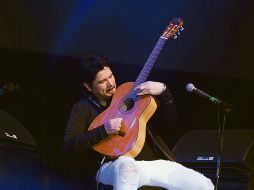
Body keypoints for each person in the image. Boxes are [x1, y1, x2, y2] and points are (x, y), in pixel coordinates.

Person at [63, 54, 214, 190]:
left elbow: (170, 121)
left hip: (150, 163)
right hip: (112, 165)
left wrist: (164, 91)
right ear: (88, 86)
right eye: (102, 81)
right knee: (126, 167)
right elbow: (69, 146)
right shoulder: (82, 108)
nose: (110, 83)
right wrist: (103, 130)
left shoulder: (129, 94)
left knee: (204, 184)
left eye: (110, 76)